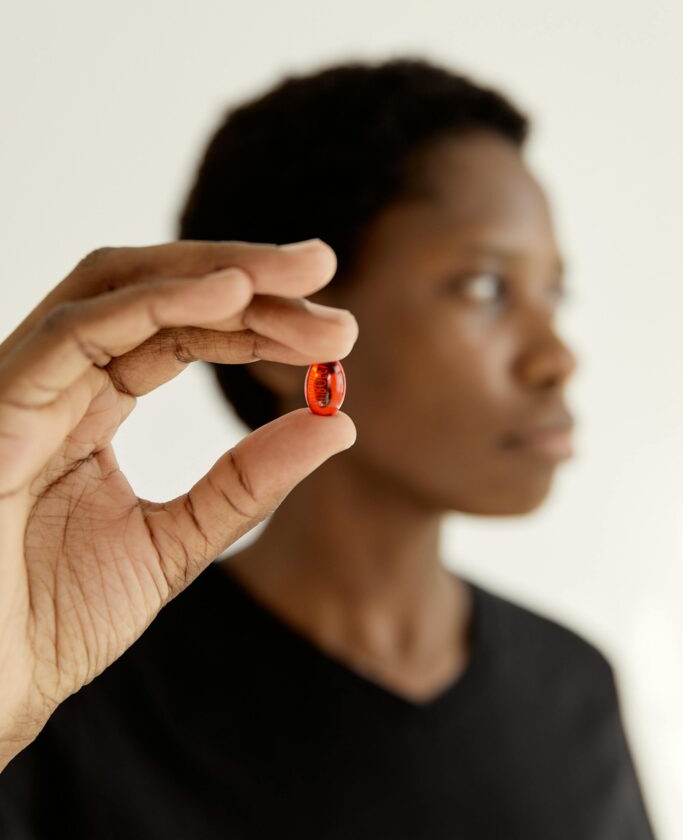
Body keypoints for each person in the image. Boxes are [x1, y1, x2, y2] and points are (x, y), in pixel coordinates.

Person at [0, 58, 656, 839]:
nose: (557, 357)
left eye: (553, 292)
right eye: (484, 287)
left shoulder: (573, 688)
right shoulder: (67, 682)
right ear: (289, 341)